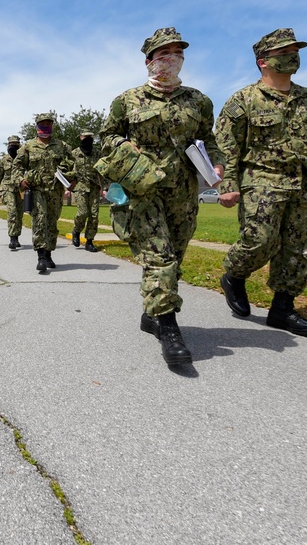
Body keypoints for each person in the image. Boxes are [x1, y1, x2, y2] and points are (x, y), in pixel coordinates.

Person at [99, 28, 224, 366]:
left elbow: (207, 140)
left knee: (175, 258)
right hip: (143, 192)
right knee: (161, 259)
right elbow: (107, 137)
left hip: (184, 193)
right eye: (164, 53)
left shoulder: (198, 101)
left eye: (177, 52)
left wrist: (218, 164)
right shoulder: (127, 100)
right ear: (149, 61)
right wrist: (124, 146)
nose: (172, 59)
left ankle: (151, 315)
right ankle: (169, 328)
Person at [215, 28, 307, 338]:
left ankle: (282, 310)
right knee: (260, 240)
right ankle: (234, 275)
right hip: (262, 181)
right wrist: (227, 185)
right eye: (284, 52)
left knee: (305, 249)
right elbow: (227, 148)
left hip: (306, 184)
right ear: (263, 61)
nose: (293, 56)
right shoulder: (243, 100)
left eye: (295, 50)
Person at [14, 113, 72, 273]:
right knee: (40, 221)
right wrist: (20, 180)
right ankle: (40, 257)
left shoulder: (62, 146)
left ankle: (48, 254)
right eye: (43, 123)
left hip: (55, 191)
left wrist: (71, 179)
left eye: (49, 123)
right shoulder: (28, 146)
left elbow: (74, 164)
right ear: (37, 126)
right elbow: (17, 166)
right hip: (37, 189)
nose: (46, 126)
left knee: (52, 223)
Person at [70, 129, 103, 252]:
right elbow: (68, 171)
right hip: (80, 187)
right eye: (85, 137)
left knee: (94, 215)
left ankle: (89, 241)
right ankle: (76, 230)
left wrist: (103, 188)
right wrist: (68, 187)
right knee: (83, 212)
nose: (88, 139)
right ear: (80, 137)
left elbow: (101, 172)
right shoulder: (74, 153)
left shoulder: (97, 154)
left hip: (94, 187)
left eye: (90, 137)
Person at [0, 135, 23, 250]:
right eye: (11, 144)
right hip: (7, 188)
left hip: (19, 189)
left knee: (19, 214)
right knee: (13, 211)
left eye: (16, 144)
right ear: (8, 145)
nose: (13, 146)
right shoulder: (3, 160)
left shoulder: (22, 158)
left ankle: (16, 236)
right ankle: (12, 238)